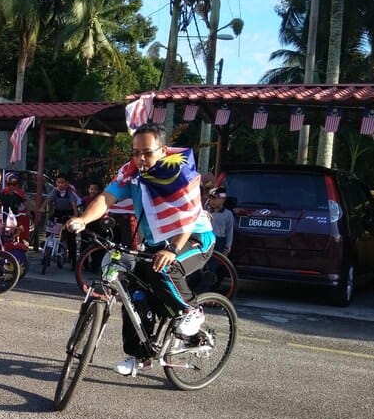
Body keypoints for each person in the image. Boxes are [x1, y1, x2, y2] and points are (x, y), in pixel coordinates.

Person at [67, 124, 214, 376]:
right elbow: (106, 198)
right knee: (134, 295)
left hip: (193, 238)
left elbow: (188, 216)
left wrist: (172, 248)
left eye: (146, 152)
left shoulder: (179, 173)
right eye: (135, 153)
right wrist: (83, 219)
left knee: (165, 267)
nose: (140, 159)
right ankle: (138, 355)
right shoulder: (131, 173)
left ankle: (192, 311)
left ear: (163, 150)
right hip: (156, 244)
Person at [42, 173, 82, 263]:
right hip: (57, 212)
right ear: (56, 183)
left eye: (63, 182)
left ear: (67, 183)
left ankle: (73, 259)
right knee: (49, 231)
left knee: (70, 237)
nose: (60, 184)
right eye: (59, 182)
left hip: (69, 214)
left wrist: (75, 217)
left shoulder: (70, 193)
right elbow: (48, 200)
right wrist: (42, 208)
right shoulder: (55, 191)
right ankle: (46, 252)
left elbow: (74, 206)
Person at [207, 186, 235, 255]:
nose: (212, 201)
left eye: (215, 199)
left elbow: (229, 231)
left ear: (223, 199)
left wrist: (227, 247)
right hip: (207, 240)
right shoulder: (206, 211)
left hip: (219, 241)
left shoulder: (228, 214)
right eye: (210, 199)